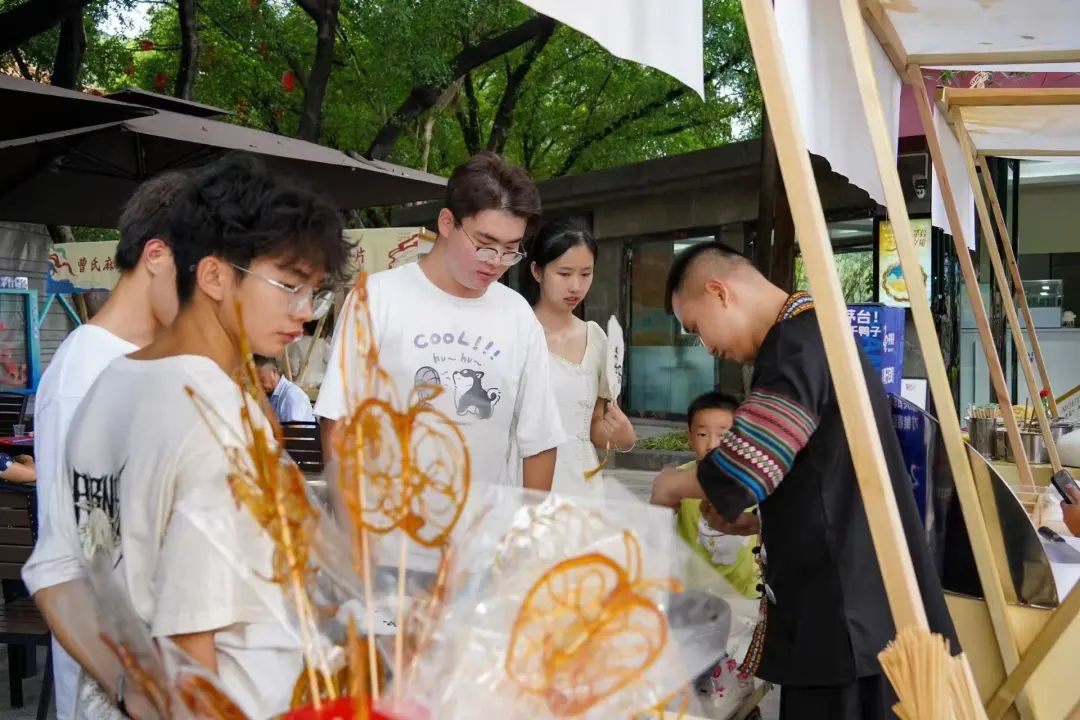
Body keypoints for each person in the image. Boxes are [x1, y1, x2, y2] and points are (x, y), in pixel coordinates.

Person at [28, 154, 347, 718]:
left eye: (314, 295)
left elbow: (57, 573)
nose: (303, 315)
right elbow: (192, 646)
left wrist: (129, 690)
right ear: (215, 275)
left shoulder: (110, 383)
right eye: (291, 287)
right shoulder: (219, 419)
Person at [661, 241, 958, 720]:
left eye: (696, 328)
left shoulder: (797, 342)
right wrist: (759, 523)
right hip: (863, 612)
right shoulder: (818, 332)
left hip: (845, 622)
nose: (707, 347)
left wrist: (673, 487)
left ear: (719, 292)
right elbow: (828, 478)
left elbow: (748, 464)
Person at [23, 170, 187, 720]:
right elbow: (72, 564)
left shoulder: (161, 360)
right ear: (158, 255)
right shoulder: (85, 375)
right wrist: (132, 691)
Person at [316, 152, 564, 491]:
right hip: (390, 534)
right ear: (447, 223)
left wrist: (530, 534)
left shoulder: (518, 315)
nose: (496, 262)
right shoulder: (376, 299)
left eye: (510, 250)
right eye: (485, 244)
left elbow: (539, 439)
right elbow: (339, 421)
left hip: (486, 533)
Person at [526, 220, 635, 498]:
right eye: (564, 274)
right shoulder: (517, 333)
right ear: (537, 271)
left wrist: (622, 437)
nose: (576, 286)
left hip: (582, 486)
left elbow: (593, 426)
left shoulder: (596, 338)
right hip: (525, 480)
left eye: (586, 274)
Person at [659, 391, 759, 600]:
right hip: (694, 594)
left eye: (723, 435)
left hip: (744, 593)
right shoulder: (680, 480)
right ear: (689, 436)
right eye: (703, 434)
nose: (712, 444)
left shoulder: (754, 482)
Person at [255, 355, 317, 423]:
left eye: (261, 379)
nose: (258, 385)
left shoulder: (292, 396)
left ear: (274, 372)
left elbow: (294, 431)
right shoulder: (268, 396)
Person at [287, 318, 332, 391]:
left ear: (303, 327)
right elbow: (329, 361)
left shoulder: (297, 344)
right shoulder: (324, 344)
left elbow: (294, 370)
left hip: (303, 385)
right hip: (321, 384)